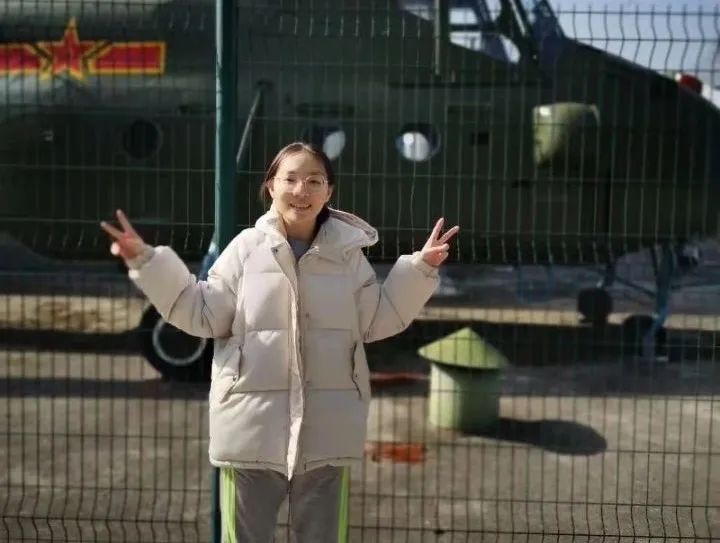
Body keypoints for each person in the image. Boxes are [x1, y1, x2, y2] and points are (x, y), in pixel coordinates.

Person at [101, 142, 459, 542]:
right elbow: (201, 311)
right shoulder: (244, 250)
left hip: (327, 434)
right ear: (271, 186)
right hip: (249, 432)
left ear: (328, 192)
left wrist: (420, 269)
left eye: (314, 181)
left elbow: (378, 318)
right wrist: (147, 262)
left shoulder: (348, 257)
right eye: (290, 179)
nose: (301, 190)